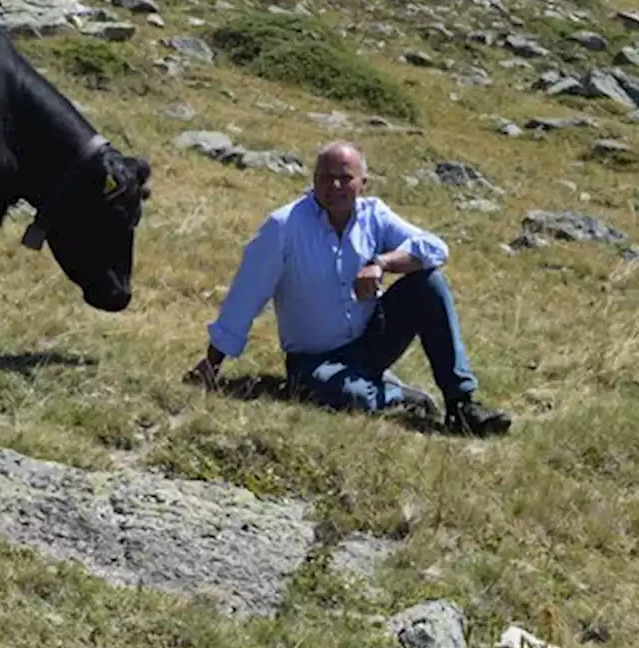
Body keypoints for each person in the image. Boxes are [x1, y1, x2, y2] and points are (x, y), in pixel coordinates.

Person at [186, 140, 512, 437]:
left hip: (372, 340)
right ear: (313, 181)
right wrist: (212, 363)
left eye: (345, 178)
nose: (335, 186)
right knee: (347, 397)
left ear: (362, 183)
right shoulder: (284, 227)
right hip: (314, 361)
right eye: (326, 178)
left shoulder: (374, 215)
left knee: (429, 284)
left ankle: (462, 405)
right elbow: (246, 295)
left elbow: (436, 248)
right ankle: (401, 397)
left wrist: (382, 263)